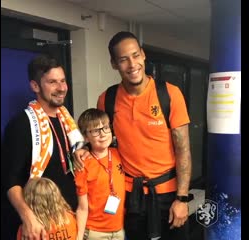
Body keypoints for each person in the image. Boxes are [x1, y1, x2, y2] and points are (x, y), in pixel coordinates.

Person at [74, 31, 192, 240]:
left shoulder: (170, 94)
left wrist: (182, 199)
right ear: (113, 64)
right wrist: (85, 149)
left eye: (135, 55)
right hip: (129, 195)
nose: (132, 64)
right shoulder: (107, 99)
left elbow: (183, 150)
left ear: (143, 55)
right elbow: (102, 136)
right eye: (123, 59)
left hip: (167, 194)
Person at [1, 54, 84, 240]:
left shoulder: (68, 122)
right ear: (35, 86)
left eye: (63, 81)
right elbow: (9, 179)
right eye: (52, 82)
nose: (61, 88)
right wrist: (27, 217)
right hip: (40, 227)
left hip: (69, 224)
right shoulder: (21, 124)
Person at [75, 108, 125, 240]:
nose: (102, 134)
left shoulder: (119, 154)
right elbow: (82, 208)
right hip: (94, 232)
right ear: (86, 137)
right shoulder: (83, 164)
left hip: (119, 230)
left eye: (105, 128)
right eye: (95, 131)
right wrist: (79, 237)